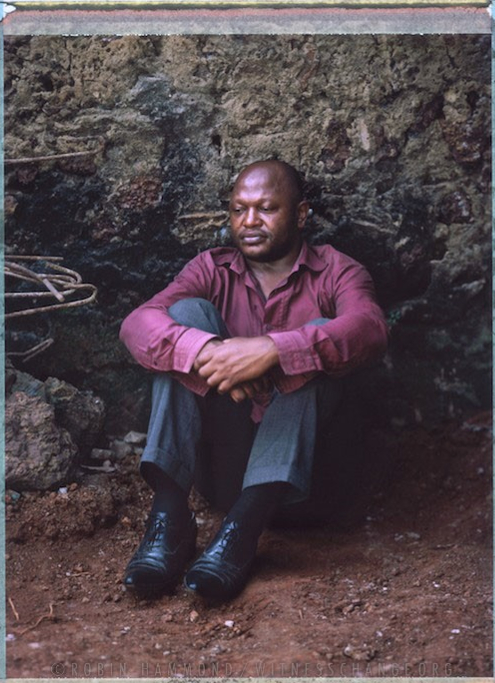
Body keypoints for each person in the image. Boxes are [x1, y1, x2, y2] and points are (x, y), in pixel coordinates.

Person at [119, 159, 388, 602]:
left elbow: (370, 329)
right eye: (239, 209)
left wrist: (274, 351)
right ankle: (169, 520)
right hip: (225, 475)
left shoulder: (337, 270)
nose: (249, 222)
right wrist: (204, 352)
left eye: (266, 209)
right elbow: (137, 325)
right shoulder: (211, 269)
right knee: (181, 322)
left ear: (300, 215)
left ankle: (241, 534)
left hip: (307, 490)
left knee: (321, 344)